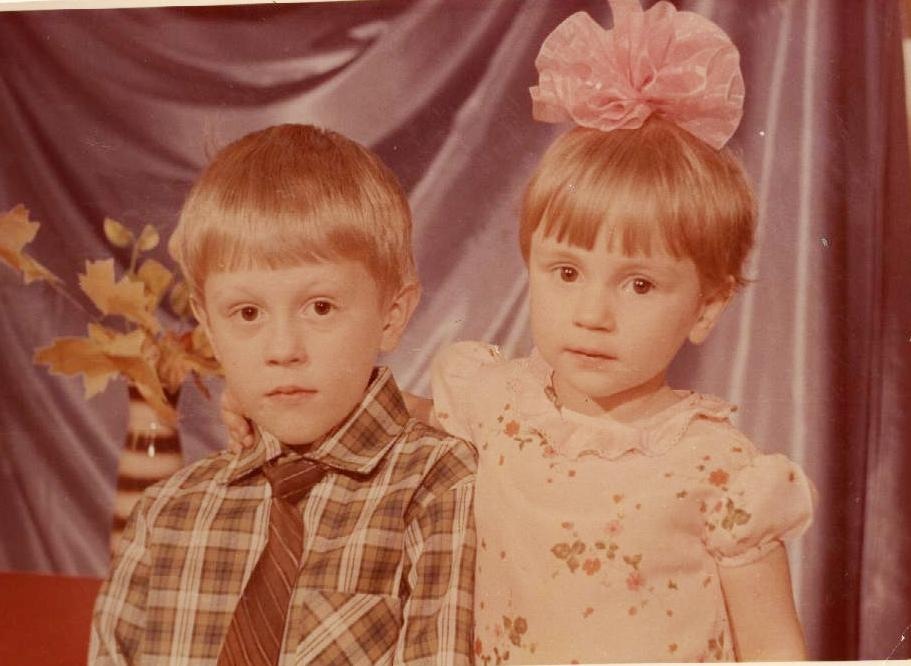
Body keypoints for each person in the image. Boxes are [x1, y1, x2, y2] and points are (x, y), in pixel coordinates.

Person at [224, 1, 816, 662]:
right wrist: (269, 401)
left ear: (706, 306)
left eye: (639, 284)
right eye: (567, 271)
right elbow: (368, 412)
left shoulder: (721, 471)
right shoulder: (496, 405)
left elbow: (774, 647)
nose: (593, 313)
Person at [89, 123, 477, 665]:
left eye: (320, 307)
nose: (283, 349)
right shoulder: (165, 514)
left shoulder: (437, 486)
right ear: (207, 323)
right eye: (247, 313)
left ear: (392, 314)